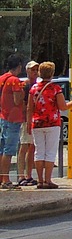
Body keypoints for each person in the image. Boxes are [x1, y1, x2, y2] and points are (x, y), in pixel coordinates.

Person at [28, 62, 72, 189]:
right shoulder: (55, 89)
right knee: (50, 152)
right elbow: (63, 107)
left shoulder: (34, 88)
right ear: (52, 74)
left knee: (39, 152)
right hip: (52, 123)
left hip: (37, 123)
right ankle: (48, 180)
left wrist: (29, 122)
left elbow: (30, 108)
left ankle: (40, 181)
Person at [0, 54, 25, 190]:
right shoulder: (15, 81)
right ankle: (6, 179)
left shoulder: (2, 78)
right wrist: (23, 90)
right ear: (19, 66)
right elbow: (17, 100)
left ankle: (1, 177)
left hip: (3, 116)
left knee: (2, 148)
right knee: (9, 150)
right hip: (13, 118)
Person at [16, 61, 37, 187]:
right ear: (27, 71)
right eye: (32, 70)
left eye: (36, 69)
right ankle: (21, 175)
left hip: (35, 119)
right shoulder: (24, 85)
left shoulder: (37, 85)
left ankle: (29, 175)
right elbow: (22, 104)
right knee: (24, 146)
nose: (35, 72)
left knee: (32, 147)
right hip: (25, 120)